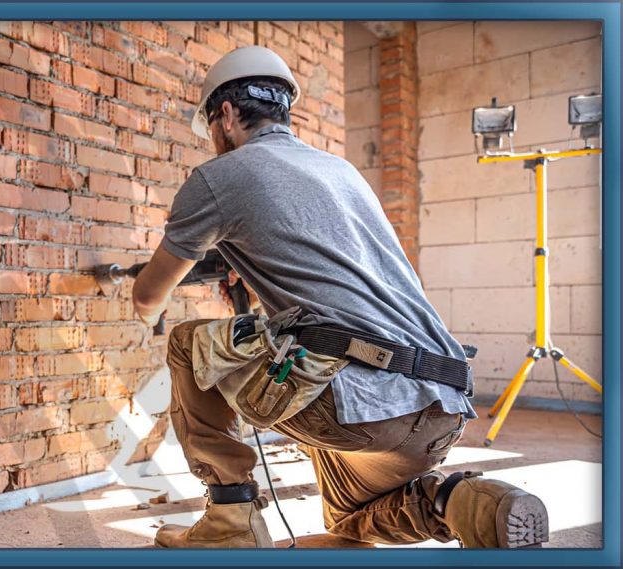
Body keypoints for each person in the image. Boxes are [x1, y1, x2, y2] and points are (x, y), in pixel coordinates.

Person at [131, 46, 549, 549]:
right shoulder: (342, 172)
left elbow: (148, 297)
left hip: (353, 404)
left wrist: (164, 291)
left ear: (224, 115)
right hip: (441, 405)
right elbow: (339, 286)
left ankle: (230, 521)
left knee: (185, 343)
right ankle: (460, 504)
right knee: (347, 520)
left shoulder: (219, 178)